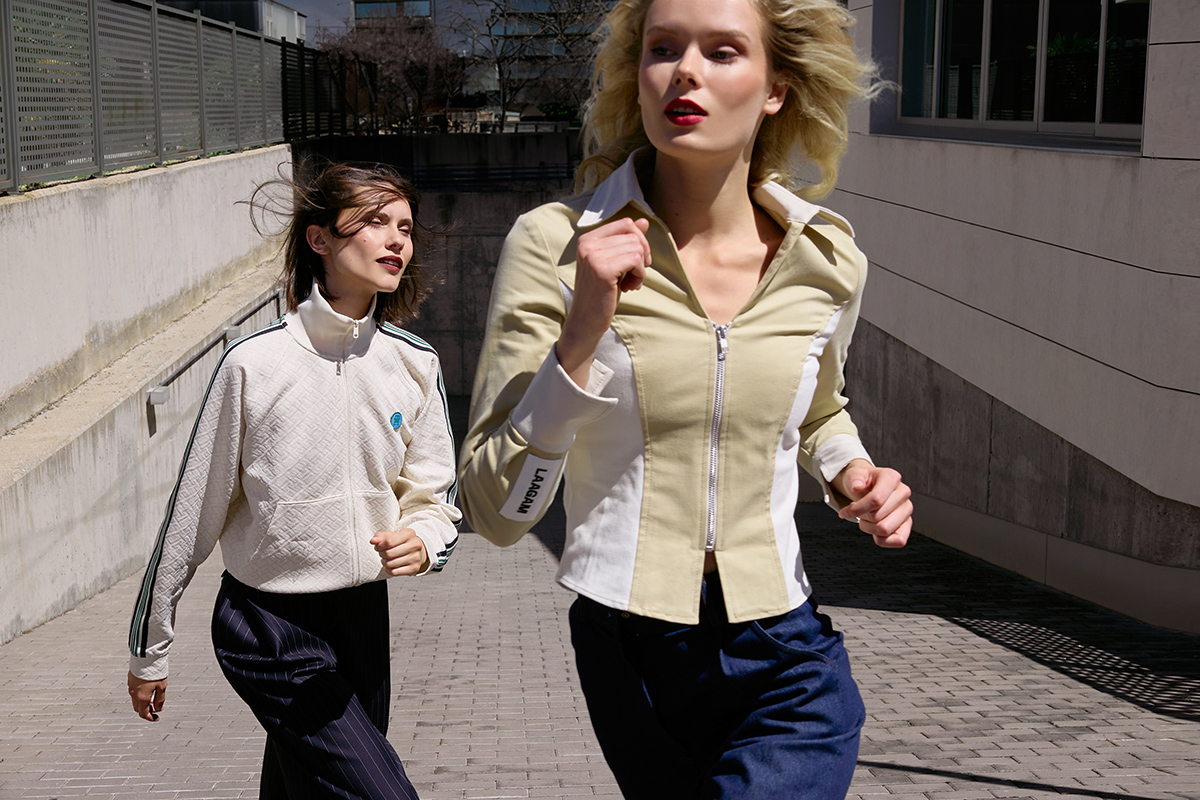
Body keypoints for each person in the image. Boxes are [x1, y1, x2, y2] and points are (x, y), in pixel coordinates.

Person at [458, 0, 913, 797]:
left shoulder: (827, 256)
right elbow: (497, 512)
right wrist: (580, 335)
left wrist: (853, 472)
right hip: (633, 645)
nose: (685, 72)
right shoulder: (556, 245)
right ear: (637, 76)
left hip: (784, 638)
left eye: (723, 51)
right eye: (663, 48)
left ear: (776, 88)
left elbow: (817, 410)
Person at [126, 162, 461, 800]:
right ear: (320, 238)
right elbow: (191, 514)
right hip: (268, 624)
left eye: (405, 227)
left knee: (307, 789)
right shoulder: (253, 364)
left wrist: (424, 539)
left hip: (362, 617)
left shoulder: (414, 363)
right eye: (375, 222)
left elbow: (435, 497)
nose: (396, 239)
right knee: (382, 793)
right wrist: (150, 649)